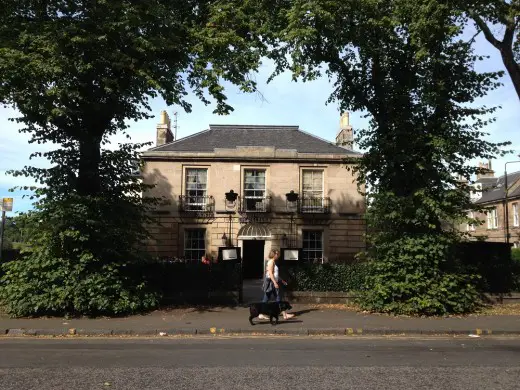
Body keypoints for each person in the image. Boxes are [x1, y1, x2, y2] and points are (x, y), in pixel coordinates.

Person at [259, 249, 295, 320]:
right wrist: (275, 283)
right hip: (271, 283)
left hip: (273, 282)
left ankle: (261, 314)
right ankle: (284, 315)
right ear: (273, 254)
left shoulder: (273, 262)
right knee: (274, 298)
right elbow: (270, 274)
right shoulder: (271, 262)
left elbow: (275, 274)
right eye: (277, 254)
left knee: (272, 298)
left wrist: (281, 280)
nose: (278, 255)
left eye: (278, 254)